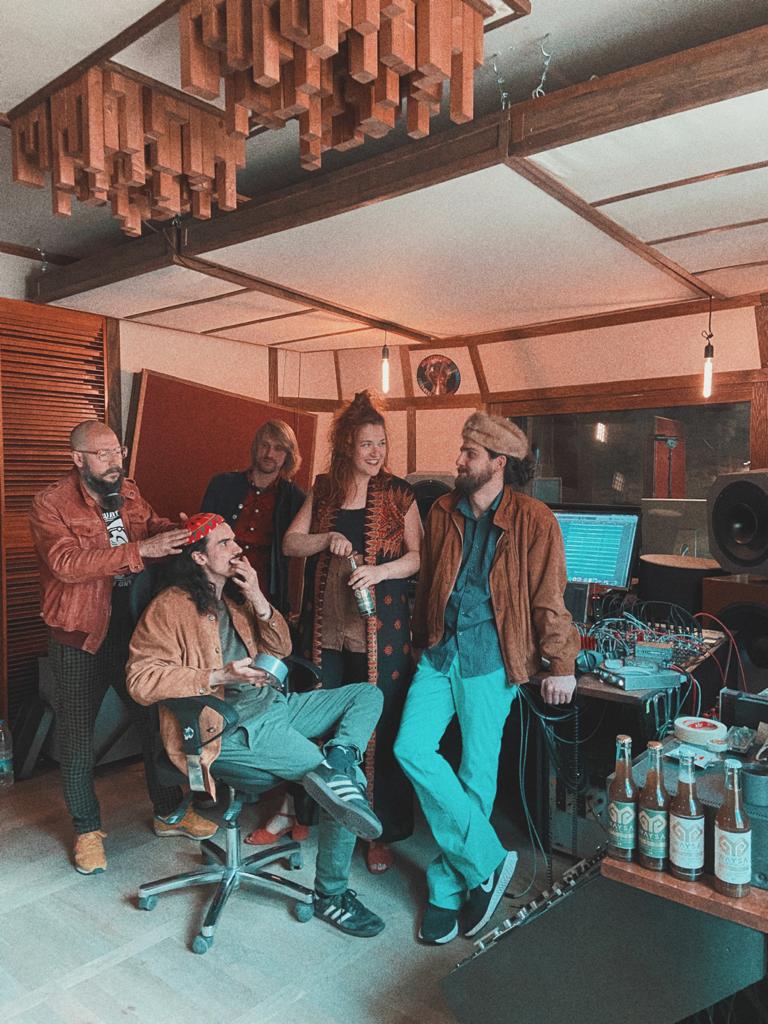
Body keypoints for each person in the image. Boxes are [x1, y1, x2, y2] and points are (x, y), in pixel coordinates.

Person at [126, 512, 386, 937]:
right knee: (347, 789)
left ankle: (339, 757)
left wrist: (259, 599)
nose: (237, 549)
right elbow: (140, 680)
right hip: (230, 728)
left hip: (274, 705)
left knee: (367, 695)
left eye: (235, 540)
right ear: (199, 558)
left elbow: (280, 648)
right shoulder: (169, 608)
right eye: (225, 543)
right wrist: (218, 676)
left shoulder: (235, 596)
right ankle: (331, 895)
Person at [394, 412, 580, 944]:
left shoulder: (535, 520)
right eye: (462, 451)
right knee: (411, 748)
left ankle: (446, 887)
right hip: (439, 653)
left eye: (469, 454)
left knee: (476, 775)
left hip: (492, 659)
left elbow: (549, 598)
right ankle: (488, 861)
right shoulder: (441, 510)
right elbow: (431, 582)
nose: (458, 460)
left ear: (499, 463)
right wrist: (420, 638)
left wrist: (561, 664)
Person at [28, 420, 216, 876]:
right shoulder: (50, 504)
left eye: (118, 451)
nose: (115, 462)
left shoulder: (128, 491)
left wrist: (183, 530)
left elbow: (151, 527)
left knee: (156, 722)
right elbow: (66, 564)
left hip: (135, 630)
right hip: (81, 637)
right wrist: (142, 550)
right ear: (78, 459)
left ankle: (169, 812)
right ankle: (87, 831)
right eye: (103, 454)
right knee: (77, 739)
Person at [282, 390, 423, 874]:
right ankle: (309, 813)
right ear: (347, 446)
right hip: (326, 629)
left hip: (380, 631)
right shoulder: (324, 489)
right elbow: (291, 543)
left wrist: (380, 572)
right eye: (366, 444)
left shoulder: (400, 494)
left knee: (378, 728)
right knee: (317, 721)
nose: (375, 452)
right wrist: (326, 538)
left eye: (381, 443)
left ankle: (378, 832)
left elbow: (418, 557)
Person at [199, 419, 305, 616]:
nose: (269, 454)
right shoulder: (222, 485)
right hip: (215, 587)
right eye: (265, 445)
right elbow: (200, 541)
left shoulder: (295, 499)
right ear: (256, 447)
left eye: (278, 448)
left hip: (263, 596)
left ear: (288, 455)